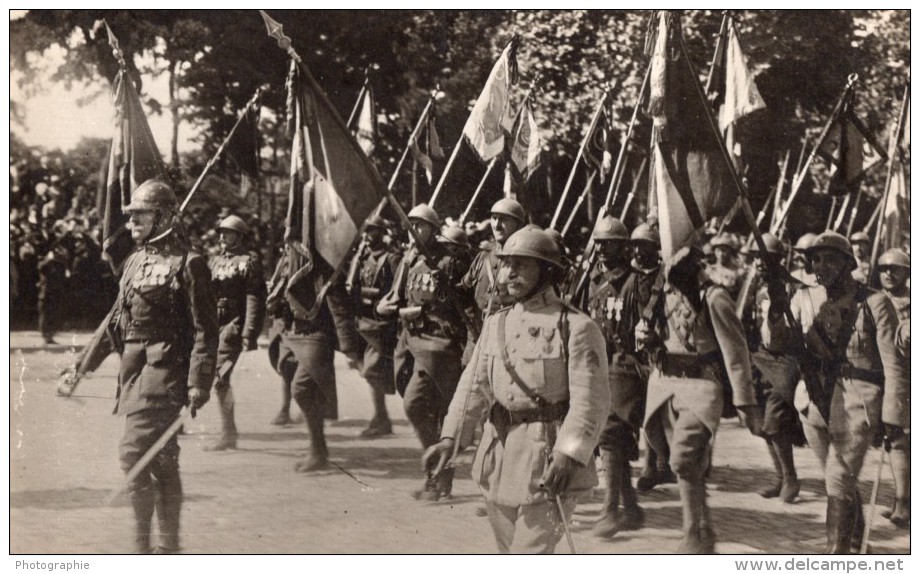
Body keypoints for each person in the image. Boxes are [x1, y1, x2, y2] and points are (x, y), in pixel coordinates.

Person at [423, 227, 609, 553]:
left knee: (528, 555)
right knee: (509, 553)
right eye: (506, 264)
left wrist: (569, 454)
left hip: (548, 456)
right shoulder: (497, 323)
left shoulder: (576, 327)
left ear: (547, 271)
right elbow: (474, 387)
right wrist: (450, 438)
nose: (509, 273)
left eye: (521, 265)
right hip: (499, 456)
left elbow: (590, 402)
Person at [762, 231, 900, 553]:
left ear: (848, 264)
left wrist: (893, 415)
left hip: (857, 402)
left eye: (830, 259)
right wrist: (775, 312)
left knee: (837, 477)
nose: (821, 265)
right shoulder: (804, 298)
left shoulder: (874, 302)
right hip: (812, 400)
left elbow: (893, 364)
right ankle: (854, 540)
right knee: (839, 480)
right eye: (816, 259)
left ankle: (834, 555)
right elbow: (776, 344)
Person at [113, 180, 219, 553]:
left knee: (133, 453)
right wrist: (82, 367)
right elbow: (118, 321)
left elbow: (206, 329)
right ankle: (168, 547)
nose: (131, 223)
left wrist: (198, 382)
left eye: (140, 215)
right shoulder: (135, 260)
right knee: (161, 461)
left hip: (165, 373)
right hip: (134, 372)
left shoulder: (190, 264)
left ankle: (143, 547)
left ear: (163, 217)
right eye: (131, 216)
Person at [638, 243, 762, 553]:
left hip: (702, 386)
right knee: (685, 463)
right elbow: (646, 334)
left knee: (683, 458)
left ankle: (692, 533)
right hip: (665, 385)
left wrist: (745, 401)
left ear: (694, 267)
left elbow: (736, 352)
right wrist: (643, 336)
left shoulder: (715, 298)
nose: (672, 275)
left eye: (680, 268)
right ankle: (704, 529)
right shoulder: (659, 296)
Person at [377, 204, 468, 500]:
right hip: (411, 343)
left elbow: (460, 301)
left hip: (440, 345)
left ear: (433, 229)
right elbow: (395, 296)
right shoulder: (409, 258)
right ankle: (437, 474)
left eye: (420, 226)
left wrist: (447, 279)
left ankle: (439, 477)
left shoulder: (448, 259)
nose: (413, 231)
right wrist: (384, 308)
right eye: (410, 225)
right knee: (420, 407)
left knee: (427, 409)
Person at [584, 215, 646, 537]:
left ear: (624, 248)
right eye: (599, 243)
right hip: (598, 362)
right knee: (612, 438)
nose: (603, 249)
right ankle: (631, 507)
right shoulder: (591, 280)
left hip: (624, 364)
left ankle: (610, 510)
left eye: (609, 244)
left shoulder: (635, 282)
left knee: (610, 434)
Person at [267, 243, 342, 473]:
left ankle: (319, 451)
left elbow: (339, 300)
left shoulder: (324, 261)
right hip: (291, 330)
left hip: (316, 331)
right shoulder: (289, 257)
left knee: (301, 388)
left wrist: (348, 342)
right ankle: (318, 449)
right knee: (292, 376)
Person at [741, 233, 804, 503]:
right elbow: (738, 315)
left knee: (775, 419)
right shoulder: (753, 284)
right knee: (760, 423)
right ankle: (780, 476)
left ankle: (791, 478)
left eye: (766, 257)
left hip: (786, 358)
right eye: (756, 256)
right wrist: (750, 283)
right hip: (758, 358)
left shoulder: (793, 287)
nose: (760, 262)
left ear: (779, 259)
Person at [204, 215, 266, 451]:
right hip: (214, 325)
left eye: (228, 233)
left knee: (220, 379)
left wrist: (249, 332)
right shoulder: (215, 261)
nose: (222, 237)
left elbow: (254, 298)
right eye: (221, 232)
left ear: (240, 236)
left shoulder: (249, 262)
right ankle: (229, 432)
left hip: (233, 326)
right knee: (217, 380)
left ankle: (229, 433)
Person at [348, 214, 402, 437]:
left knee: (374, 371)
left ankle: (382, 418)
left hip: (383, 324)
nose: (368, 235)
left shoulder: (391, 257)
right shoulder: (361, 257)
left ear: (381, 232)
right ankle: (381, 417)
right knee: (371, 372)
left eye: (372, 231)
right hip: (364, 321)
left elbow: (398, 287)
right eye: (366, 230)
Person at [460, 198, 526, 361]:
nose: (496, 225)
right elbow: (463, 290)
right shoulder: (483, 257)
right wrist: (443, 283)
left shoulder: (527, 262)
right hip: (476, 341)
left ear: (518, 224)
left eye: (503, 219)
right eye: (494, 218)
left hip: (508, 345)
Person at [875, 248, 910, 528]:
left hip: (907, 376)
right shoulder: (873, 300)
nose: (888, 273)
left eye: (894, 269)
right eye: (884, 269)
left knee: (899, 440)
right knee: (893, 440)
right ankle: (902, 500)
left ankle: (904, 502)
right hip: (882, 376)